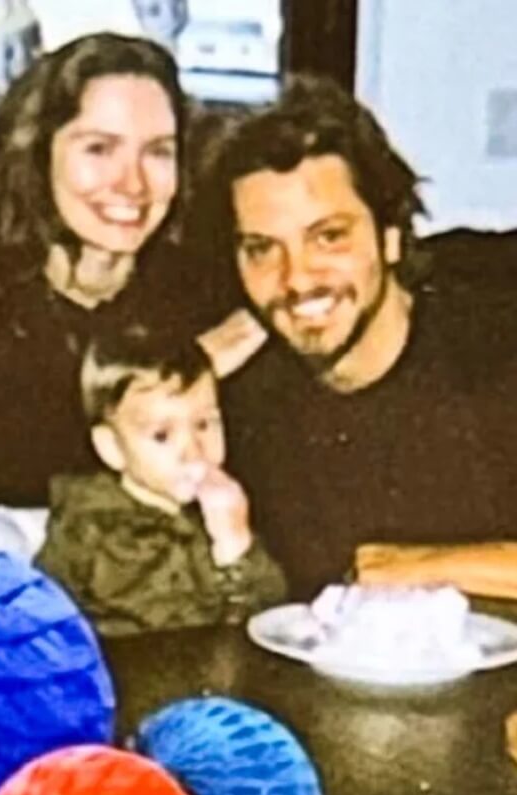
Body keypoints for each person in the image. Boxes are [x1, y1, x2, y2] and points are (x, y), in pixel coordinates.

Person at [192, 75, 517, 599]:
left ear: (390, 238)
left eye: (329, 237)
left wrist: (411, 568)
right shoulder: (243, 402)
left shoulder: (493, 345)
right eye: (262, 248)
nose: (296, 277)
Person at [0, 32, 253, 527]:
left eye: (158, 152)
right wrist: (190, 370)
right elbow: (30, 482)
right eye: (99, 149)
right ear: (36, 155)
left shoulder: (204, 281)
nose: (133, 183)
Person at [36, 329, 286, 636]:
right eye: (162, 435)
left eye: (203, 424)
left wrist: (238, 544)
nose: (194, 451)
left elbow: (273, 613)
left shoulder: (207, 516)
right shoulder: (97, 529)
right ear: (112, 448)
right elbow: (177, 630)